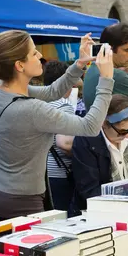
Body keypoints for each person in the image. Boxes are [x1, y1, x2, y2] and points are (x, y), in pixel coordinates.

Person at [0, 31, 114, 225]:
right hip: (20, 202)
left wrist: (79, 64)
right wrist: (106, 79)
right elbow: (90, 126)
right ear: (19, 65)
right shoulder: (31, 109)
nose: (40, 56)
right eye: (34, 53)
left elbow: (52, 92)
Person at [42, 61, 85, 214]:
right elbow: (65, 142)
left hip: (44, 171)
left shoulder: (40, 101)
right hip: (60, 172)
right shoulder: (63, 105)